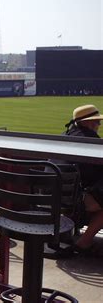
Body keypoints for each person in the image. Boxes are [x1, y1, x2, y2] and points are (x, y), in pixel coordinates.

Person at [64, 104, 103, 254]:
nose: (98, 125)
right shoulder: (91, 139)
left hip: (53, 198)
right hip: (74, 200)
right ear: (85, 122)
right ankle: (84, 243)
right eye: (96, 121)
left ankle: (69, 233)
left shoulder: (64, 135)